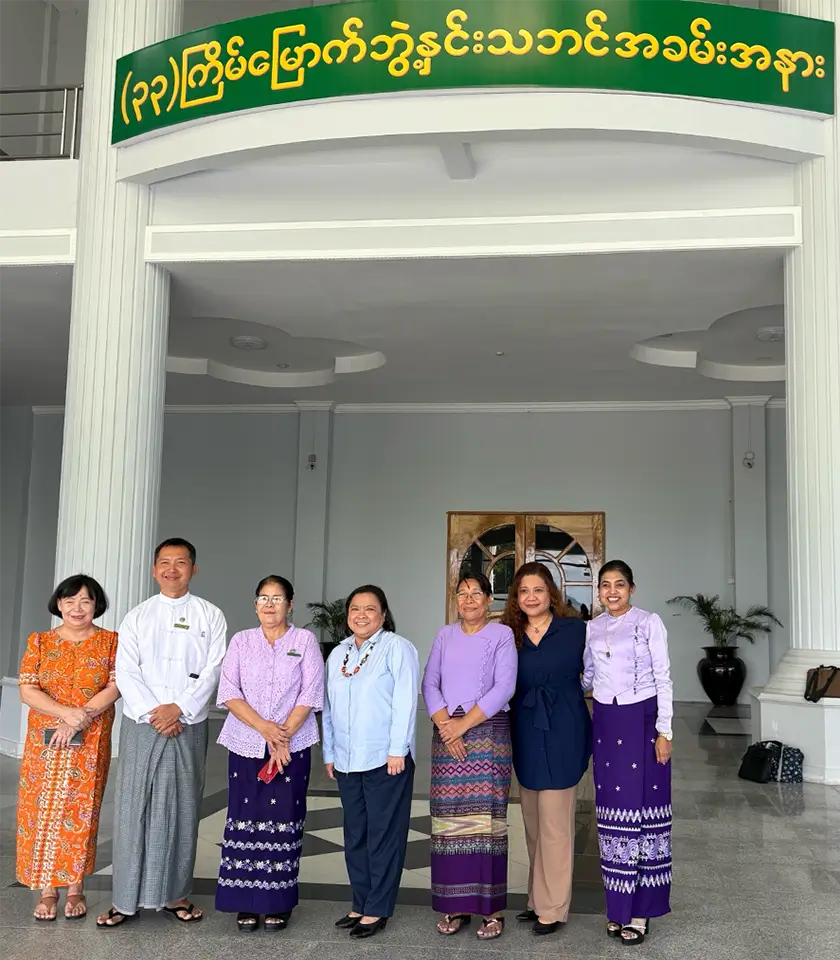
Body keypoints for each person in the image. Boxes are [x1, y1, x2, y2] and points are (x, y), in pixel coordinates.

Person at [96, 538, 227, 928]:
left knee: (183, 807)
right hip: (143, 723)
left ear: (194, 569)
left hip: (187, 722)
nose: (172, 569)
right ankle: (124, 900)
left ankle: (175, 894)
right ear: (154, 570)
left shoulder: (210, 615)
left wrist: (179, 708)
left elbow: (215, 668)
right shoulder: (137, 616)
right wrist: (156, 712)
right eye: (165, 563)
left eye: (181, 562)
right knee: (134, 808)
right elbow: (127, 671)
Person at [215, 575, 324, 932]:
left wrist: (282, 738)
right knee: (244, 818)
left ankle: (277, 900)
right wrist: (264, 729)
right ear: (255, 604)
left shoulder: (304, 640)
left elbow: (311, 692)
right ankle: (245, 900)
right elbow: (229, 691)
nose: (269, 604)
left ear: (290, 604)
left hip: (293, 747)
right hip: (246, 743)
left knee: (285, 819)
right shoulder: (242, 641)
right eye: (263, 598)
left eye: (277, 598)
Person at [17, 575, 120, 921]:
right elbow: (28, 689)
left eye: (86, 601)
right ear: (59, 604)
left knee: (82, 810)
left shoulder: (111, 642)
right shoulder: (40, 642)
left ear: (96, 605)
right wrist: (65, 714)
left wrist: (81, 717)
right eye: (70, 601)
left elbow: (115, 686)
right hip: (44, 741)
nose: (78, 608)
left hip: (90, 739)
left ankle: (76, 887)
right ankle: (47, 891)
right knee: (42, 810)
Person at [421, 572, 517, 940]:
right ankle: (455, 904)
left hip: (487, 734)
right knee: (449, 822)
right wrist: (447, 724)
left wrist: (462, 727)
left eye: (476, 593)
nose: (469, 599)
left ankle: (491, 908)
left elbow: (504, 685)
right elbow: (429, 682)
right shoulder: (444, 635)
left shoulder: (502, 635)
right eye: (462, 594)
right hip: (447, 735)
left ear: (489, 600)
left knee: (487, 823)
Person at [583, 560, 673, 946]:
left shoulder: (649, 622)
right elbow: (587, 676)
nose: (613, 591)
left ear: (631, 588)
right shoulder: (592, 627)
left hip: (642, 719)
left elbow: (664, 676)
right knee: (612, 815)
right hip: (606, 721)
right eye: (606, 585)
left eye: (620, 584)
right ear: (599, 591)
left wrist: (664, 730)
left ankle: (641, 911)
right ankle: (618, 908)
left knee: (643, 812)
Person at [322, 584, 419, 940]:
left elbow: (406, 702)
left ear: (383, 613)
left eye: (369, 609)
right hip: (347, 760)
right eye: (355, 609)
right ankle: (360, 900)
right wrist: (330, 753)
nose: (361, 615)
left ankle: (378, 906)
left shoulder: (397, 647)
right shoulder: (339, 654)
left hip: (384, 758)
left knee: (384, 835)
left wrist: (398, 750)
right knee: (355, 834)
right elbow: (328, 708)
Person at [504, 562, 591, 937]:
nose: (531, 598)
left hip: (563, 728)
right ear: (516, 597)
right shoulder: (508, 635)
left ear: (551, 593)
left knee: (556, 821)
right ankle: (536, 899)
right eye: (524, 591)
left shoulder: (576, 630)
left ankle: (552, 908)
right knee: (534, 821)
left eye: (538, 590)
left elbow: (595, 675)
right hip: (524, 728)